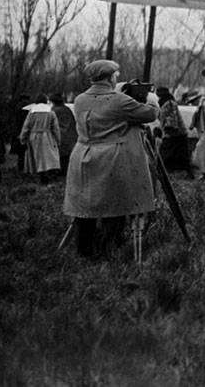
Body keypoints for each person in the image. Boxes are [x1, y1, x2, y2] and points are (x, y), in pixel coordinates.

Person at [64, 60, 157, 259]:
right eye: (115, 75)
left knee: (83, 208)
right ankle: (108, 252)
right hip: (109, 158)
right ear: (110, 77)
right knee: (115, 207)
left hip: (82, 156)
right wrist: (151, 98)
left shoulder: (80, 99)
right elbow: (150, 114)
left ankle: (84, 252)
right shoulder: (118, 100)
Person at [19, 94, 61, 183]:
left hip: (34, 137)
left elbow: (26, 126)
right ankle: (49, 175)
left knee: (37, 158)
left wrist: (23, 138)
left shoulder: (31, 112)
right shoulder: (51, 112)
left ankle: (41, 177)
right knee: (48, 157)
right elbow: (56, 128)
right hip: (48, 136)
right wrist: (58, 140)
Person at [157, 87, 194, 179]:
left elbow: (172, 118)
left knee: (164, 152)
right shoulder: (166, 103)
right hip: (177, 133)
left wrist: (169, 132)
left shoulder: (169, 103)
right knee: (182, 155)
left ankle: (161, 172)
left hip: (175, 133)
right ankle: (188, 173)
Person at [50, 93, 77, 172]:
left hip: (59, 135)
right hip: (70, 134)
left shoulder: (54, 111)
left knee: (60, 155)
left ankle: (60, 171)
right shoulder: (67, 109)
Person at [10, 93, 30, 173]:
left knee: (20, 153)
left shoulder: (17, 107)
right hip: (21, 132)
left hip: (17, 132)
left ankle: (20, 167)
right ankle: (22, 168)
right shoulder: (24, 108)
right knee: (23, 151)